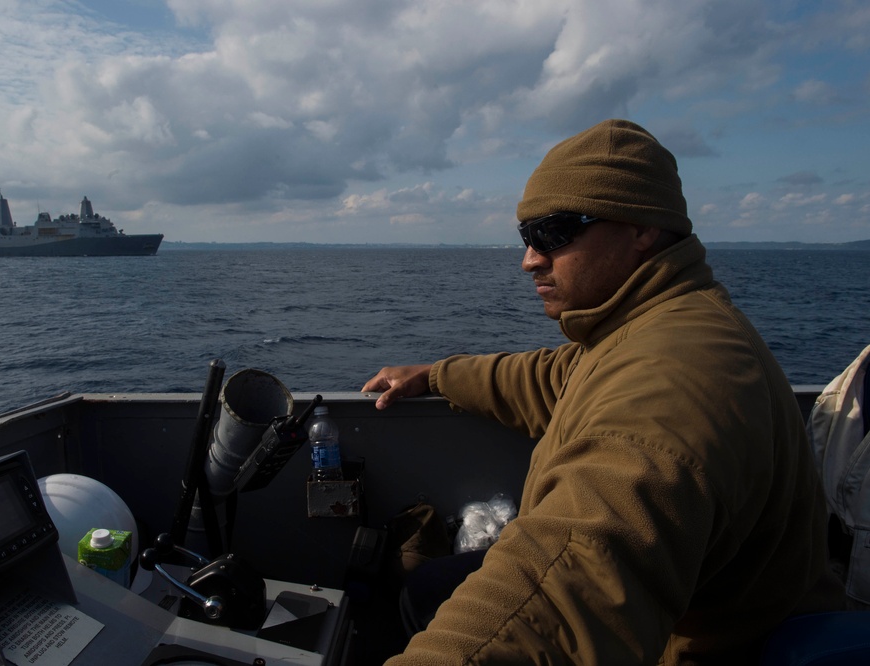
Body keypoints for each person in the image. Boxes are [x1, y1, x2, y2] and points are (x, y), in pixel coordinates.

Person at [361, 119, 846, 665]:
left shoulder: (673, 382)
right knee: (427, 588)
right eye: (526, 236)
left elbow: (570, 582)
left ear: (640, 227)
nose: (529, 259)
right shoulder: (643, 329)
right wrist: (437, 375)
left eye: (554, 232)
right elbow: (553, 377)